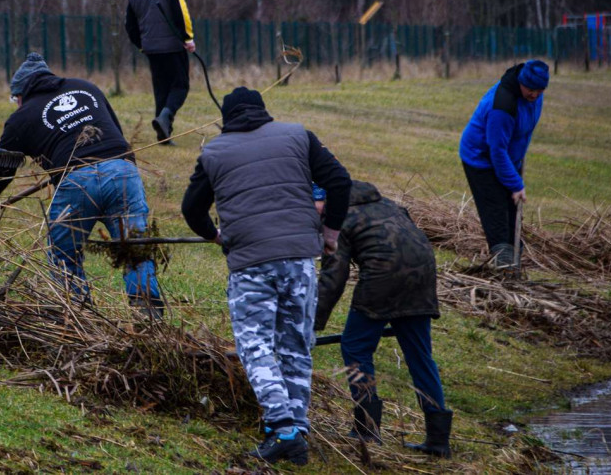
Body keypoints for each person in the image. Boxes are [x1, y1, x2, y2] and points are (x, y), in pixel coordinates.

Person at [180, 87, 352, 466]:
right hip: (299, 260)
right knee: (296, 345)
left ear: (226, 119)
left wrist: (216, 236)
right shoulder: (298, 136)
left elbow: (191, 209)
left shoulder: (213, 152)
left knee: (255, 345)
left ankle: (284, 429)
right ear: (263, 112)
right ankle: (296, 429)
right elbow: (340, 182)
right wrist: (330, 234)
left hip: (251, 261)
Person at [0, 53, 163, 315]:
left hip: (76, 184)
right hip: (122, 174)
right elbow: (115, 132)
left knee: (64, 256)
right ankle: (148, 316)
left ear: (19, 95)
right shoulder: (87, 88)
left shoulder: (21, 117)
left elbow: (2, 167)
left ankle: (80, 319)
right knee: (135, 250)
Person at [313, 180, 451, 457]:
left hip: (382, 277)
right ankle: (438, 440)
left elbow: (333, 278)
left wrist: (310, 323)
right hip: (422, 273)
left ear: (324, 199)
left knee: (355, 346)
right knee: (419, 354)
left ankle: (367, 429)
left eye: (311, 204)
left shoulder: (336, 217)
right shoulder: (385, 203)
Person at [459, 60, 549, 267]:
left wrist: (515, 164)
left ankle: (513, 258)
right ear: (521, 82)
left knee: (512, 214)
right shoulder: (503, 106)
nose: (534, 94)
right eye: (530, 89)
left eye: (540, 90)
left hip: (506, 157)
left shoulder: (534, 97)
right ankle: (504, 265)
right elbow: (496, 151)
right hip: (480, 159)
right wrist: (515, 184)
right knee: (497, 213)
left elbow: (520, 132)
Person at [124, 0, 195, 144]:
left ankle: (163, 135)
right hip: (172, 45)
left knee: (161, 89)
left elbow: (130, 25)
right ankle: (166, 117)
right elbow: (182, 11)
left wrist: (142, 46)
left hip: (151, 49)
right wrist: (188, 37)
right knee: (180, 85)